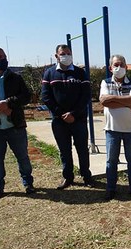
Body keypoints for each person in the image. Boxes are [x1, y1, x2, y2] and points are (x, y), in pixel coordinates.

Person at [0, 47, 35, 200]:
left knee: (23, 157)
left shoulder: (15, 77)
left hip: (15, 126)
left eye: (4, 56)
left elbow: (26, 96)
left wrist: (9, 103)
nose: (3, 59)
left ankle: (28, 184)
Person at [41, 44, 93, 190]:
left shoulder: (80, 73)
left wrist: (73, 114)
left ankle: (86, 176)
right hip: (59, 121)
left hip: (78, 119)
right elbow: (46, 97)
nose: (66, 56)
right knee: (64, 150)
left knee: (82, 149)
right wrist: (61, 114)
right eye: (63, 53)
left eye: (69, 53)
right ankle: (68, 177)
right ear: (56, 55)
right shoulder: (49, 73)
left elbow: (86, 96)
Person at [99, 54, 131, 201]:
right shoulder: (105, 82)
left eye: (122, 64)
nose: (119, 67)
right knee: (111, 161)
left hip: (130, 130)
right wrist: (128, 103)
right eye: (116, 65)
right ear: (111, 68)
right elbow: (104, 101)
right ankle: (111, 189)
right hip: (111, 130)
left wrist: (114, 101)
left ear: (126, 67)